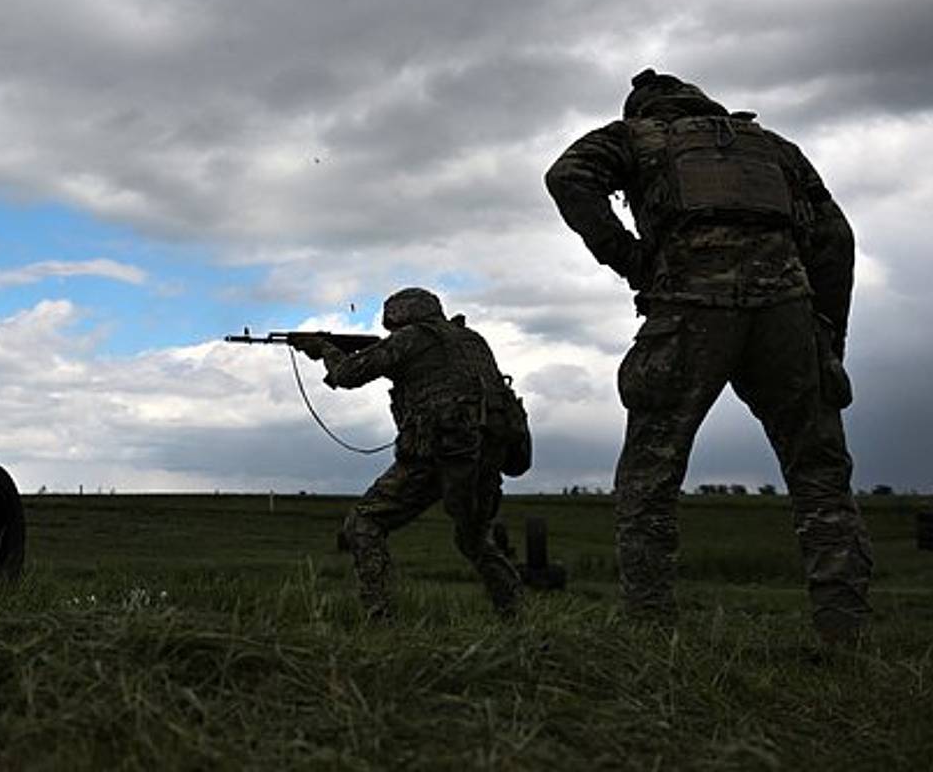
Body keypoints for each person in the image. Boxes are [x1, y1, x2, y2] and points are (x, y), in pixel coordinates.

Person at [544, 68, 872, 642]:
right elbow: (835, 239)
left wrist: (630, 259)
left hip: (688, 307)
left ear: (644, 110)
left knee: (650, 475)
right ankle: (844, 634)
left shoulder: (636, 136)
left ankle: (651, 631)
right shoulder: (773, 147)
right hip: (787, 310)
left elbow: (567, 176)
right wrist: (826, 337)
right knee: (819, 474)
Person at [292, 287, 527, 621]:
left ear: (402, 313)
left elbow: (348, 375)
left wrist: (325, 349)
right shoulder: (471, 340)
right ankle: (516, 615)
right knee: (474, 540)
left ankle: (380, 617)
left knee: (364, 522)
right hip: (485, 451)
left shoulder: (412, 338)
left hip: (437, 451)